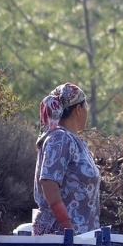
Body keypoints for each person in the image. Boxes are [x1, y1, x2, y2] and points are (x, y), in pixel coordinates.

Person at [33, 82, 100, 235]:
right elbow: (48, 182)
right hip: (60, 236)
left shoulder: (74, 140)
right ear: (78, 109)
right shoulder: (60, 138)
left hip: (81, 236)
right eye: (86, 106)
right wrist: (66, 224)